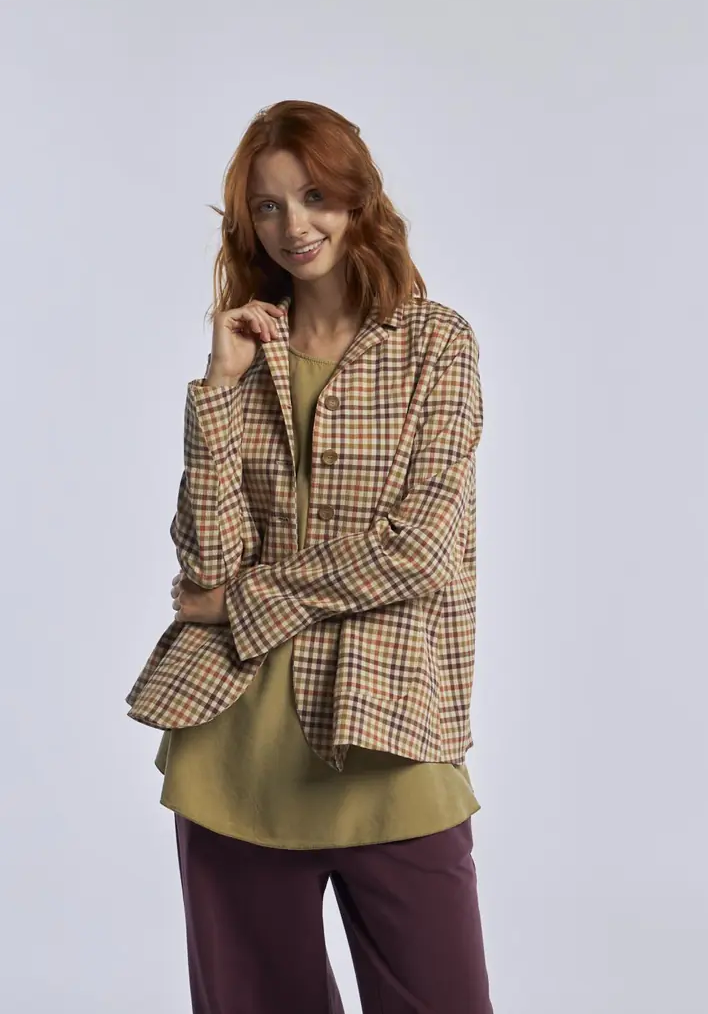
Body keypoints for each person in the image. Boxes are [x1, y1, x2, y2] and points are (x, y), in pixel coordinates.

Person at [125, 99, 493, 1013]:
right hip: (234, 755)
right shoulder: (249, 351)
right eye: (268, 206)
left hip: (389, 739)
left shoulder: (435, 344)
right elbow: (206, 566)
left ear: (358, 197)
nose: (294, 225)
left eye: (315, 196)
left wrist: (243, 602)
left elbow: (419, 551)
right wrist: (219, 388)